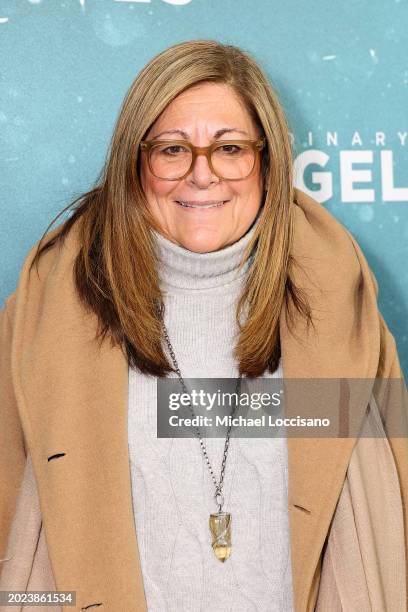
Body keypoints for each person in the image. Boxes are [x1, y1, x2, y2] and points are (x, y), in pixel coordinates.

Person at [0, 39, 407, 612]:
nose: (201, 175)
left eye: (230, 148)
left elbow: (394, 511)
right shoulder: (46, 312)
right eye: (172, 150)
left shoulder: (340, 299)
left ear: (266, 162)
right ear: (134, 163)